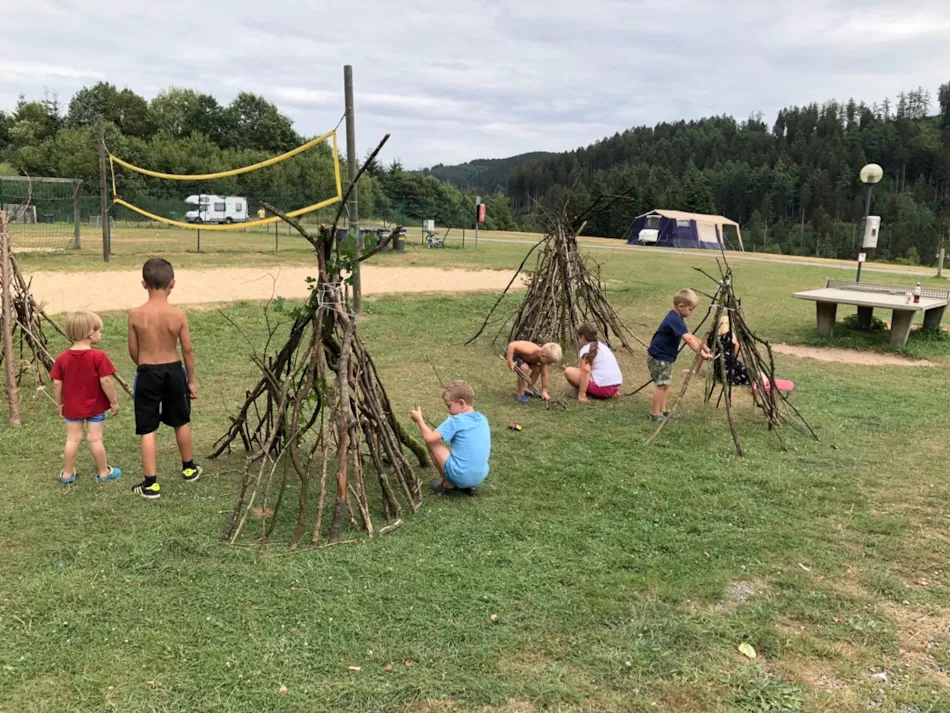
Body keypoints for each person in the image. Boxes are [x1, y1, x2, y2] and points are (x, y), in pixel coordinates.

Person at [127, 258, 201, 499]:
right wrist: (191, 381)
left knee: (148, 428)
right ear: (173, 284)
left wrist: (144, 366)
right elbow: (188, 350)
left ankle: (151, 484)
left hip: (147, 371)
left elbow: (132, 350)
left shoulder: (136, 315)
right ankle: (189, 468)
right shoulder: (178, 315)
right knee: (181, 421)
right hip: (174, 371)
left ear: (143, 284)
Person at [51, 311, 122, 485]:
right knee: (95, 439)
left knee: (72, 439)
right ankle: (104, 473)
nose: (100, 334)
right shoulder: (98, 357)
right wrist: (113, 401)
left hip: (72, 408)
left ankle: (67, 474)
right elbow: (106, 381)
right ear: (91, 333)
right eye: (99, 330)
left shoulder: (62, 358)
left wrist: (60, 402)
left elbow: (56, 383)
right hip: (95, 407)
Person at [409, 380, 490, 496]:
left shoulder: (456, 420)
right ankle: (468, 486)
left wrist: (419, 420)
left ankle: (448, 485)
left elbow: (429, 438)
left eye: (449, 406)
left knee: (433, 443)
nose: (448, 410)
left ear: (462, 403)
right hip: (479, 476)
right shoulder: (482, 419)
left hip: (462, 476)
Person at [647, 289, 714, 421]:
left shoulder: (677, 317)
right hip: (659, 357)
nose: (691, 313)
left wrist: (704, 346)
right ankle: (654, 414)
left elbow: (689, 334)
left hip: (665, 357)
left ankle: (663, 411)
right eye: (690, 309)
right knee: (661, 385)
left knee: (665, 385)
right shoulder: (674, 319)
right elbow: (687, 339)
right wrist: (701, 353)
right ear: (681, 306)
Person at [563, 323, 622, 402]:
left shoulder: (586, 349)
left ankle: (583, 391)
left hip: (604, 389)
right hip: (615, 387)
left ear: (582, 337)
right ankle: (599, 390)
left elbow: (586, 371)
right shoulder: (603, 347)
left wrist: (582, 393)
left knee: (568, 371)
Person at [701, 314, 750, 386]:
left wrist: (696, 370)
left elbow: (703, 348)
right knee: (751, 372)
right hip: (729, 363)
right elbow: (737, 345)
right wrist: (734, 357)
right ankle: (764, 383)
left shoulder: (711, 335)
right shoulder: (731, 334)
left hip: (719, 369)